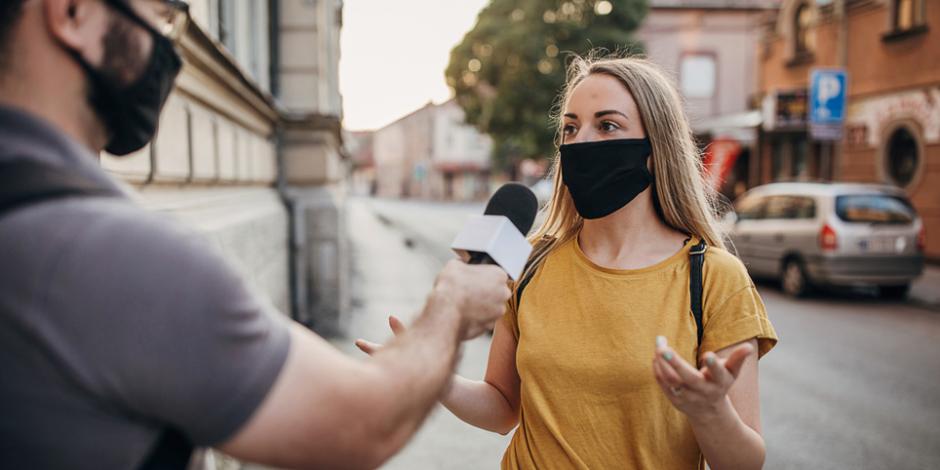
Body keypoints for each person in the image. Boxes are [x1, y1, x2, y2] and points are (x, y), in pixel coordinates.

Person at [0, 1, 511, 468]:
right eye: (160, 15)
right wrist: (450, 309)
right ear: (70, 12)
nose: (166, 45)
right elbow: (356, 424)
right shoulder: (107, 256)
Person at [357, 56, 779, 469]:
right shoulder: (530, 261)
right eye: (571, 128)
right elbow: (503, 407)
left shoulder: (714, 277)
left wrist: (710, 412)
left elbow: (744, 462)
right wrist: (430, 377)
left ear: (655, 148)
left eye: (607, 125)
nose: (580, 143)